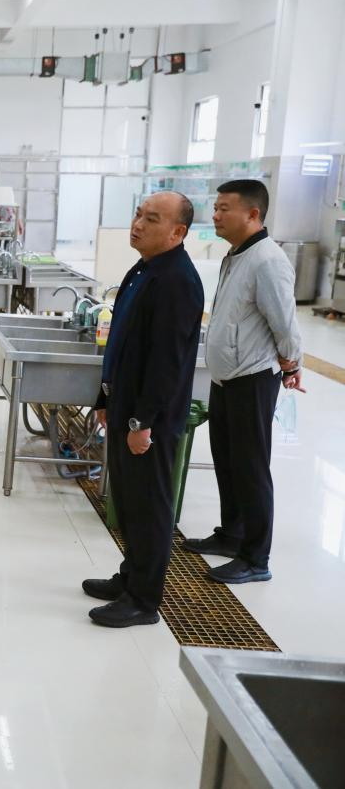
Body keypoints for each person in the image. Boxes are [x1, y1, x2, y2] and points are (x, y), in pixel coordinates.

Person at [84, 191, 204, 628]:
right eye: (138, 214)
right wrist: (105, 398)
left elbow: (165, 363)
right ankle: (130, 577)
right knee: (131, 502)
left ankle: (143, 600)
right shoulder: (144, 268)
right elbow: (122, 342)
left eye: (151, 219)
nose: (137, 224)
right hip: (126, 407)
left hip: (149, 418)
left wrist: (142, 422)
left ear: (177, 232)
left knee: (150, 507)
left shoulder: (177, 281)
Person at [184, 180, 304, 584]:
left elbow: (284, 322)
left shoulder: (267, 260)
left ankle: (256, 558)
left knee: (251, 467)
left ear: (253, 214)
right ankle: (232, 534)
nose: (215, 215)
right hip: (227, 378)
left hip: (252, 379)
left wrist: (291, 364)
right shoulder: (236, 254)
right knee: (227, 460)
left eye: (224, 208)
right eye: (215, 207)